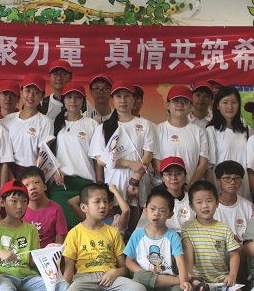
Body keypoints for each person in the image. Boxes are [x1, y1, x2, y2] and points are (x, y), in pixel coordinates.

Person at [62, 183, 146, 291]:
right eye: (97, 201)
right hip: (84, 277)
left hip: (111, 277)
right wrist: (62, 290)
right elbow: (69, 269)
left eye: (105, 201)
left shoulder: (113, 232)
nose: (103, 206)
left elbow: (123, 268)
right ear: (84, 207)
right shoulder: (74, 233)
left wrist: (115, 272)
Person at [123, 188, 192, 291]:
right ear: (145, 210)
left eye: (162, 211)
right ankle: (178, 281)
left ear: (170, 214)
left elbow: (180, 260)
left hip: (166, 283)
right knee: (140, 276)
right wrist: (181, 279)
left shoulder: (172, 236)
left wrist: (183, 281)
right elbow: (128, 261)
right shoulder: (138, 234)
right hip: (144, 283)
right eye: (153, 209)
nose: (156, 214)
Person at [89, 82, 155, 227]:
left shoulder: (145, 125)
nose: (123, 100)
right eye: (118, 96)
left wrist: (135, 180)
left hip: (139, 184)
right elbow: (100, 160)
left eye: (127, 96)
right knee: (116, 229)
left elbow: (148, 156)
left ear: (134, 99)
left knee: (138, 227)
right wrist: (129, 163)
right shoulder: (104, 128)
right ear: (112, 100)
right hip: (114, 185)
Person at [50, 82, 99, 228]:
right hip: (60, 186)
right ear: (63, 100)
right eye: (69, 97)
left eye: (77, 97)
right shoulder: (54, 124)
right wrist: (54, 171)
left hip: (85, 185)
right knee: (61, 229)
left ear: (83, 101)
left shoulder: (92, 124)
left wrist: (99, 185)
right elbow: (47, 154)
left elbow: (97, 159)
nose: (73, 101)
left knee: (85, 229)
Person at [154, 85, 209, 185]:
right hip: (164, 188)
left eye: (185, 101)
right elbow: (155, 160)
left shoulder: (199, 132)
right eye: (176, 101)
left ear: (191, 106)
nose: (180, 104)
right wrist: (169, 184)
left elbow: (203, 163)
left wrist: (190, 185)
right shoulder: (158, 130)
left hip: (191, 188)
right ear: (167, 105)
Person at [2, 74, 53, 172]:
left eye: (36, 92)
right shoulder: (8, 119)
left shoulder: (45, 122)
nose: (31, 96)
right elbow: (3, 152)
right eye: (28, 91)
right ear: (21, 93)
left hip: (32, 172)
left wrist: (30, 176)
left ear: (42, 96)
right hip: (9, 170)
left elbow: (43, 156)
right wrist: (11, 177)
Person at [206, 86, 250, 194]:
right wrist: (213, 192)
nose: (230, 107)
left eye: (234, 102)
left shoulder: (247, 129)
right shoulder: (211, 130)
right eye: (225, 102)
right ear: (217, 105)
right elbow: (209, 166)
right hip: (221, 190)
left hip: (244, 187)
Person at [17, 166, 68, 245]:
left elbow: (61, 243)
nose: (32, 187)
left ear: (44, 186)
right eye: (27, 185)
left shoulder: (56, 209)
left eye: (36, 182)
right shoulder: (19, 210)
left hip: (50, 251)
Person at [213, 161, 254, 243]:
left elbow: (252, 238)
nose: (233, 182)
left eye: (237, 178)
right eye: (227, 178)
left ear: (241, 182)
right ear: (218, 181)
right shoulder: (209, 206)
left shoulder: (248, 207)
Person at [152, 156, 193, 233]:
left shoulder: (193, 199)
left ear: (185, 176)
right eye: (169, 174)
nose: (174, 178)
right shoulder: (154, 201)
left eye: (178, 173)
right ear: (162, 178)